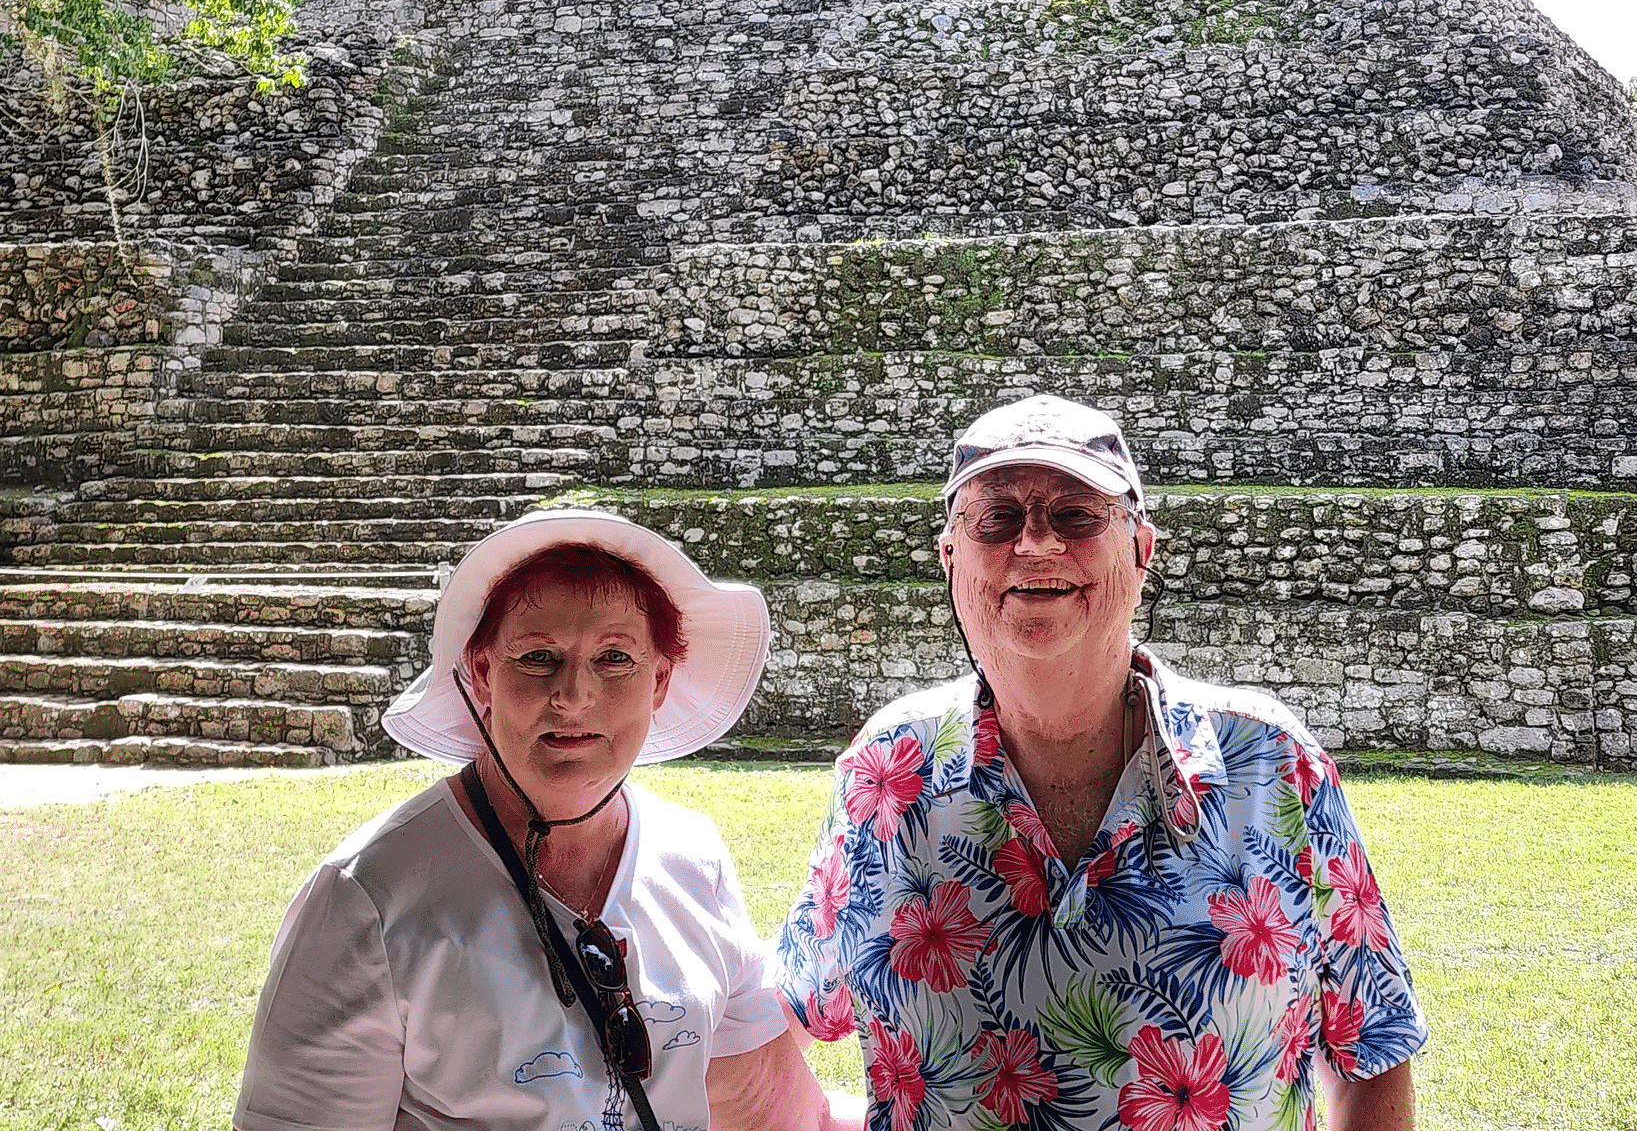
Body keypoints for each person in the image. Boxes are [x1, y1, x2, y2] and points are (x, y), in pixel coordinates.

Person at [775, 394, 1427, 1131]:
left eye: (1078, 514)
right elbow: (775, 1024)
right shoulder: (885, 776)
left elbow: (1372, 1045)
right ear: (950, 558)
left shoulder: (1271, 763)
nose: (1038, 544)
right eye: (998, 518)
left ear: (1142, 551)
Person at [236, 507, 860, 1131]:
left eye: (615, 658)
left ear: (660, 682)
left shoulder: (693, 860)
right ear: (481, 675)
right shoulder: (368, 901)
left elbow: (765, 1101)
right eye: (538, 657)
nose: (573, 696)